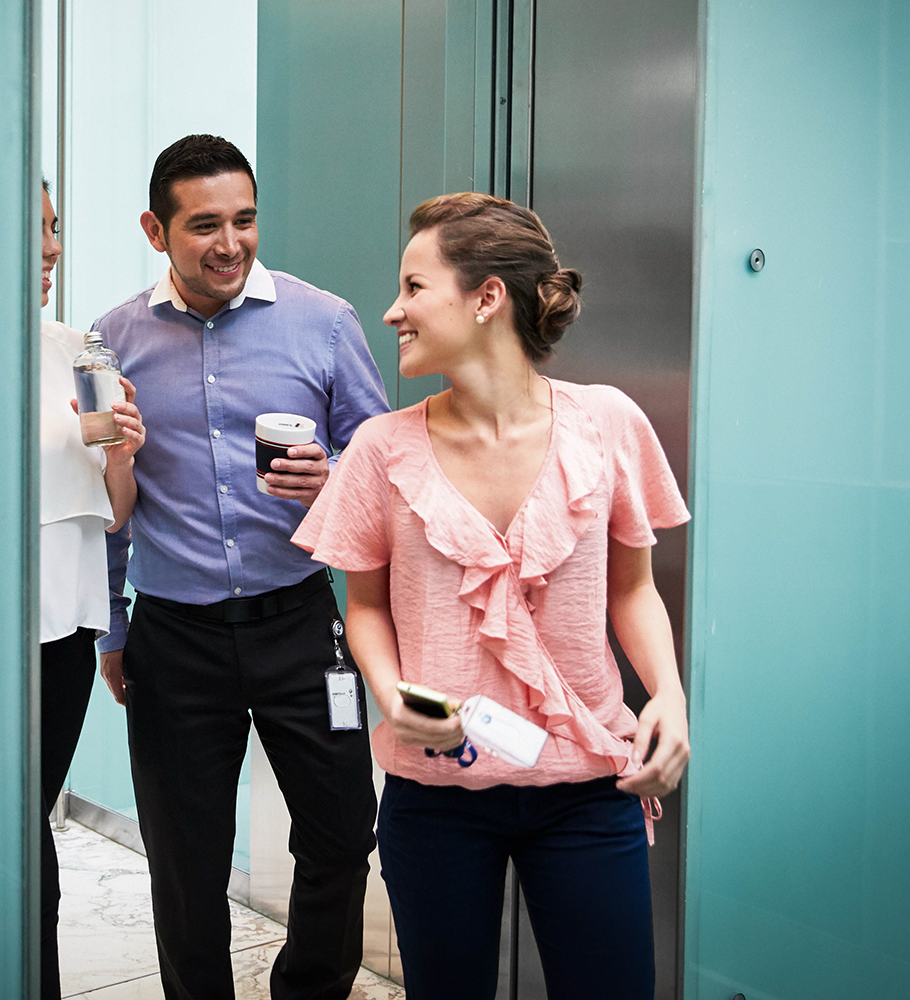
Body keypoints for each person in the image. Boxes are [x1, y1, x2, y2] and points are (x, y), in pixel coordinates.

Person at [291, 192, 691, 999]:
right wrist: (389, 690)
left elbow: (634, 590)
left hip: (588, 788)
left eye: (413, 287)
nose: (392, 309)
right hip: (437, 795)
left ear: (486, 298)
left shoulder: (609, 423)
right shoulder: (380, 450)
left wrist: (670, 698)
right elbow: (362, 604)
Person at [92, 134, 391, 1000]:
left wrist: (330, 482)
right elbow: (109, 501)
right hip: (174, 637)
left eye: (245, 220)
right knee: (186, 861)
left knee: (341, 830)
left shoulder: (324, 321)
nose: (230, 244)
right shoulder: (112, 343)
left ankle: (309, 988)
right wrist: (115, 627)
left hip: (301, 621)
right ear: (157, 229)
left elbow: (383, 475)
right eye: (204, 226)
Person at [37, 179, 145, 999]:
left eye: (54, 228)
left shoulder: (79, 350)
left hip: (66, 628)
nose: (50, 249)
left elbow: (117, 514)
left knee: (25, 819)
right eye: (31, 229)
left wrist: (120, 455)